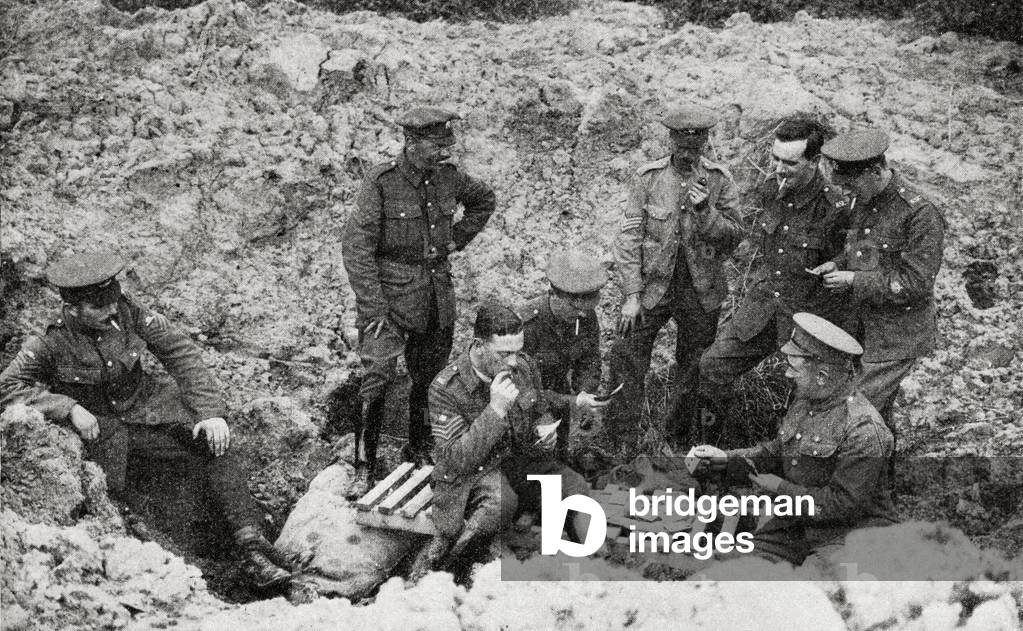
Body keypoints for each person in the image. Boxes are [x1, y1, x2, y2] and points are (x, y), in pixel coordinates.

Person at [0, 252, 292, 589]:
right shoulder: (48, 342)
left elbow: (181, 353)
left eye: (112, 300)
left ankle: (252, 546)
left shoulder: (128, 311)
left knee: (216, 446)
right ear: (73, 308)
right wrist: (67, 407)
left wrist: (210, 413)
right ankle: (200, 579)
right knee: (123, 507)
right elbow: (6, 386)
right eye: (99, 306)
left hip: (151, 414)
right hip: (106, 437)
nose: (111, 310)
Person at [341, 105, 496, 498]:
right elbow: (357, 248)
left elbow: (484, 201)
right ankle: (365, 464)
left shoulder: (449, 178)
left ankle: (419, 447)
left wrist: (457, 239)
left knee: (428, 379)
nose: (444, 152)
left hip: (435, 296)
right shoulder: (381, 182)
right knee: (376, 378)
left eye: (448, 145)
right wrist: (373, 309)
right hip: (388, 300)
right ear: (411, 142)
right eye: (435, 145)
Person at [692, 312, 897, 565]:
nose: (788, 374)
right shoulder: (805, 401)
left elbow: (841, 505)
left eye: (793, 368)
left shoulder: (863, 429)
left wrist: (779, 488)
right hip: (795, 527)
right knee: (736, 571)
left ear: (821, 376)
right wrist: (725, 460)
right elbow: (776, 451)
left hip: (849, 536)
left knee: (813, 591)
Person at [414, 303, 604, 574]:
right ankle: (448, 566)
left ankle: (595, 563)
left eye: (517, 351)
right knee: (501, 504)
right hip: (476, 470)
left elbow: (537, 404)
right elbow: (454, 460)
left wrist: (544, 426)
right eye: (504, 354)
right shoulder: (445, 389)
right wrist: (495, 410)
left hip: (518, 460)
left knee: (576, 489)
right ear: (479, 346)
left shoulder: (522, 365)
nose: (514, 362)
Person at [608, 104, 744, 447]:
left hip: (701, 290)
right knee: (626, 356)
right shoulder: (648, 179)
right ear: (670, 140)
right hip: (652, 288)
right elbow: (629, 238)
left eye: (695, 148)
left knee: (694, 368)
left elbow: (734, 236)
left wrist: (705, 212)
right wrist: (631, 295)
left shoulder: (719, 181)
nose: (688, 154)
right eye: (682, 147)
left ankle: (676, 440)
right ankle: (621, 439)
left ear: (705, 143)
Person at [700, 118, 848, 402]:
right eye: (775, 159)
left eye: (790, 164)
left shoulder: (835, 206)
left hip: (805, 318)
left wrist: (838, 265)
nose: (779, 170)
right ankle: (714, 445)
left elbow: (851, 259)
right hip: (763, 306)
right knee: (712, 366)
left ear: (814, 160)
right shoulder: (772, 188)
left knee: (800, 393)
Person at [809, 128, 945, 433]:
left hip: (896, 338)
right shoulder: (864, 199)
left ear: (875, 171)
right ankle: (880, 478)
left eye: (852, 185)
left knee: (854, 415)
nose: (848, 193)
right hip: (861, 329)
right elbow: (866, 254)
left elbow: (915, 282)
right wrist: (838, 263)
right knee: (874, 419)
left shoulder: (920, 212)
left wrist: (854, 281)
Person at [518, 250, 610, 458]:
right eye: (576, 310)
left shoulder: (584, 316)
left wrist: (586, 393)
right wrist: (570, 403)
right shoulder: (527, 326)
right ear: (554, 296)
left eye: (586, 311)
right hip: (526, 404)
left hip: (560, 397)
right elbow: (521, 388)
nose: (582, 316)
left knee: (559, 461)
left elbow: (589, 360)